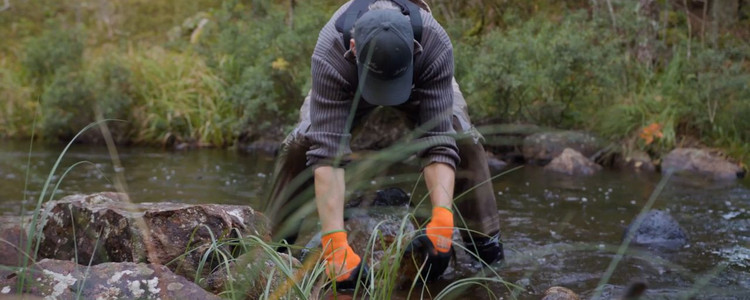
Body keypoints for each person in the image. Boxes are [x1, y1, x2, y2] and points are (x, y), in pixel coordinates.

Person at [265, 0, 504, 288]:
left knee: (463, 140)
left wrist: (442, 217)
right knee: (301, 145)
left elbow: (438, 141)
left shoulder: (433, 42)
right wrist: (334, 244)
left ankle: (487, 250)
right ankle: (273, 247)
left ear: (415, 48)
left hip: (417, 78)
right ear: (352, 46)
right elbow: (327, 155)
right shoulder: (330, 53)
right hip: (351, 81)